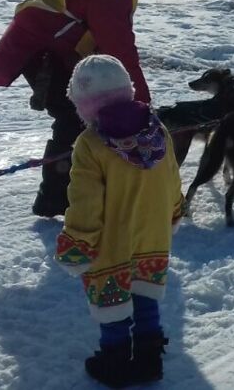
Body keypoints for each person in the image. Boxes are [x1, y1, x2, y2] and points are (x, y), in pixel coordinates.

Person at [0, 0, 159, 218]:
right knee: (73, 118)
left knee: (83, 116)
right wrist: (142, 104)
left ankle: (79, 187)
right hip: (42, 53)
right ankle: (54, 199)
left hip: (49, 48)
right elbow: (121, 52)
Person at [54, 55, 184, 388]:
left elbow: (85, 204)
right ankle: (149, 359)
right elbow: (172, 180)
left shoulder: (90, 145)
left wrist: (77, 244)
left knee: (112, 302)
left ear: (84, 105)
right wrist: (173, 213)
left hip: (112, 243)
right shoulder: (158, 130)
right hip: (153, 236)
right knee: (145, 297)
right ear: (127, 90)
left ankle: (113, 361)